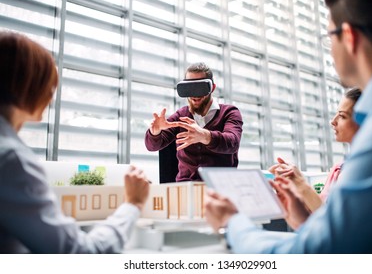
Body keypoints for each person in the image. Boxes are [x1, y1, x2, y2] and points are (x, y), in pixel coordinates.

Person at [204, 0, 372, 253]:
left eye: (329, 37)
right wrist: (307, 222)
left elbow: (315, 254)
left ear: (349, 36)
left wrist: (233, 223)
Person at [0, 31, 150, 253]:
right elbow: (81, 254)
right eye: (49, 86)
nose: (51, 97)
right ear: (28, 86)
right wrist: (133, 204)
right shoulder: (12, 161)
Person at [144, 62, 243, 182]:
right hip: (185, 188)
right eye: (190, 87)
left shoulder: (229, 112)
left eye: (200, 87)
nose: (195, 94)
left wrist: (205, 136)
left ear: (212, 88)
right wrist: (155, 133)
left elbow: (232, 142)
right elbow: (152, 146)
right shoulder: (181, 115)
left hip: (220, 186)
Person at [269, 87, 361, 213]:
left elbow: (335, 224)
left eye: (342, 116)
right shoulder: (339, 169)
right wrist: (294, 187)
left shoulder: (366, 170)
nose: (333, 121)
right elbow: (320, 216)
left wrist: (301, 184)